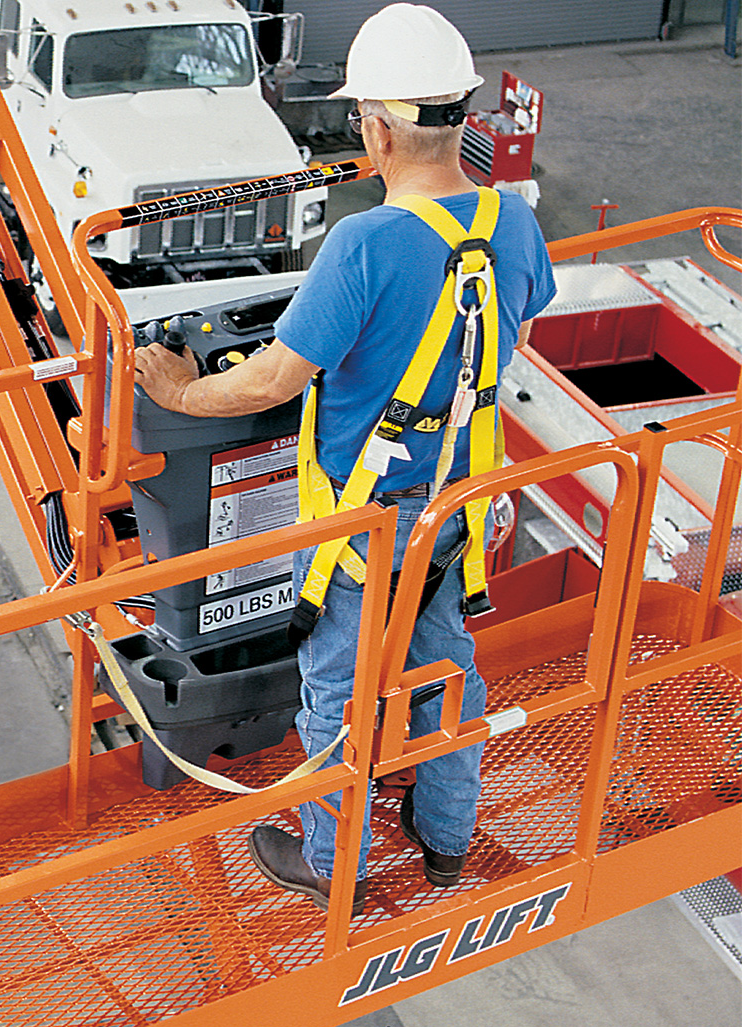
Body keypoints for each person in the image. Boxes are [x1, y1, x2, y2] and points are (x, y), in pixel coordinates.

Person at [133, 3, 556, 913]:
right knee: (446, 665)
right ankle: (444, 840)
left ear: (373, 126)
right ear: (462, 114)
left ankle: (334, 867)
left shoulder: (362, 245)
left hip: (368, 524)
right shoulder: (515, 224)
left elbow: (269, 382)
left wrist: (174, 393)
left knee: (336, 689)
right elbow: (510, 324)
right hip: (462, 505)